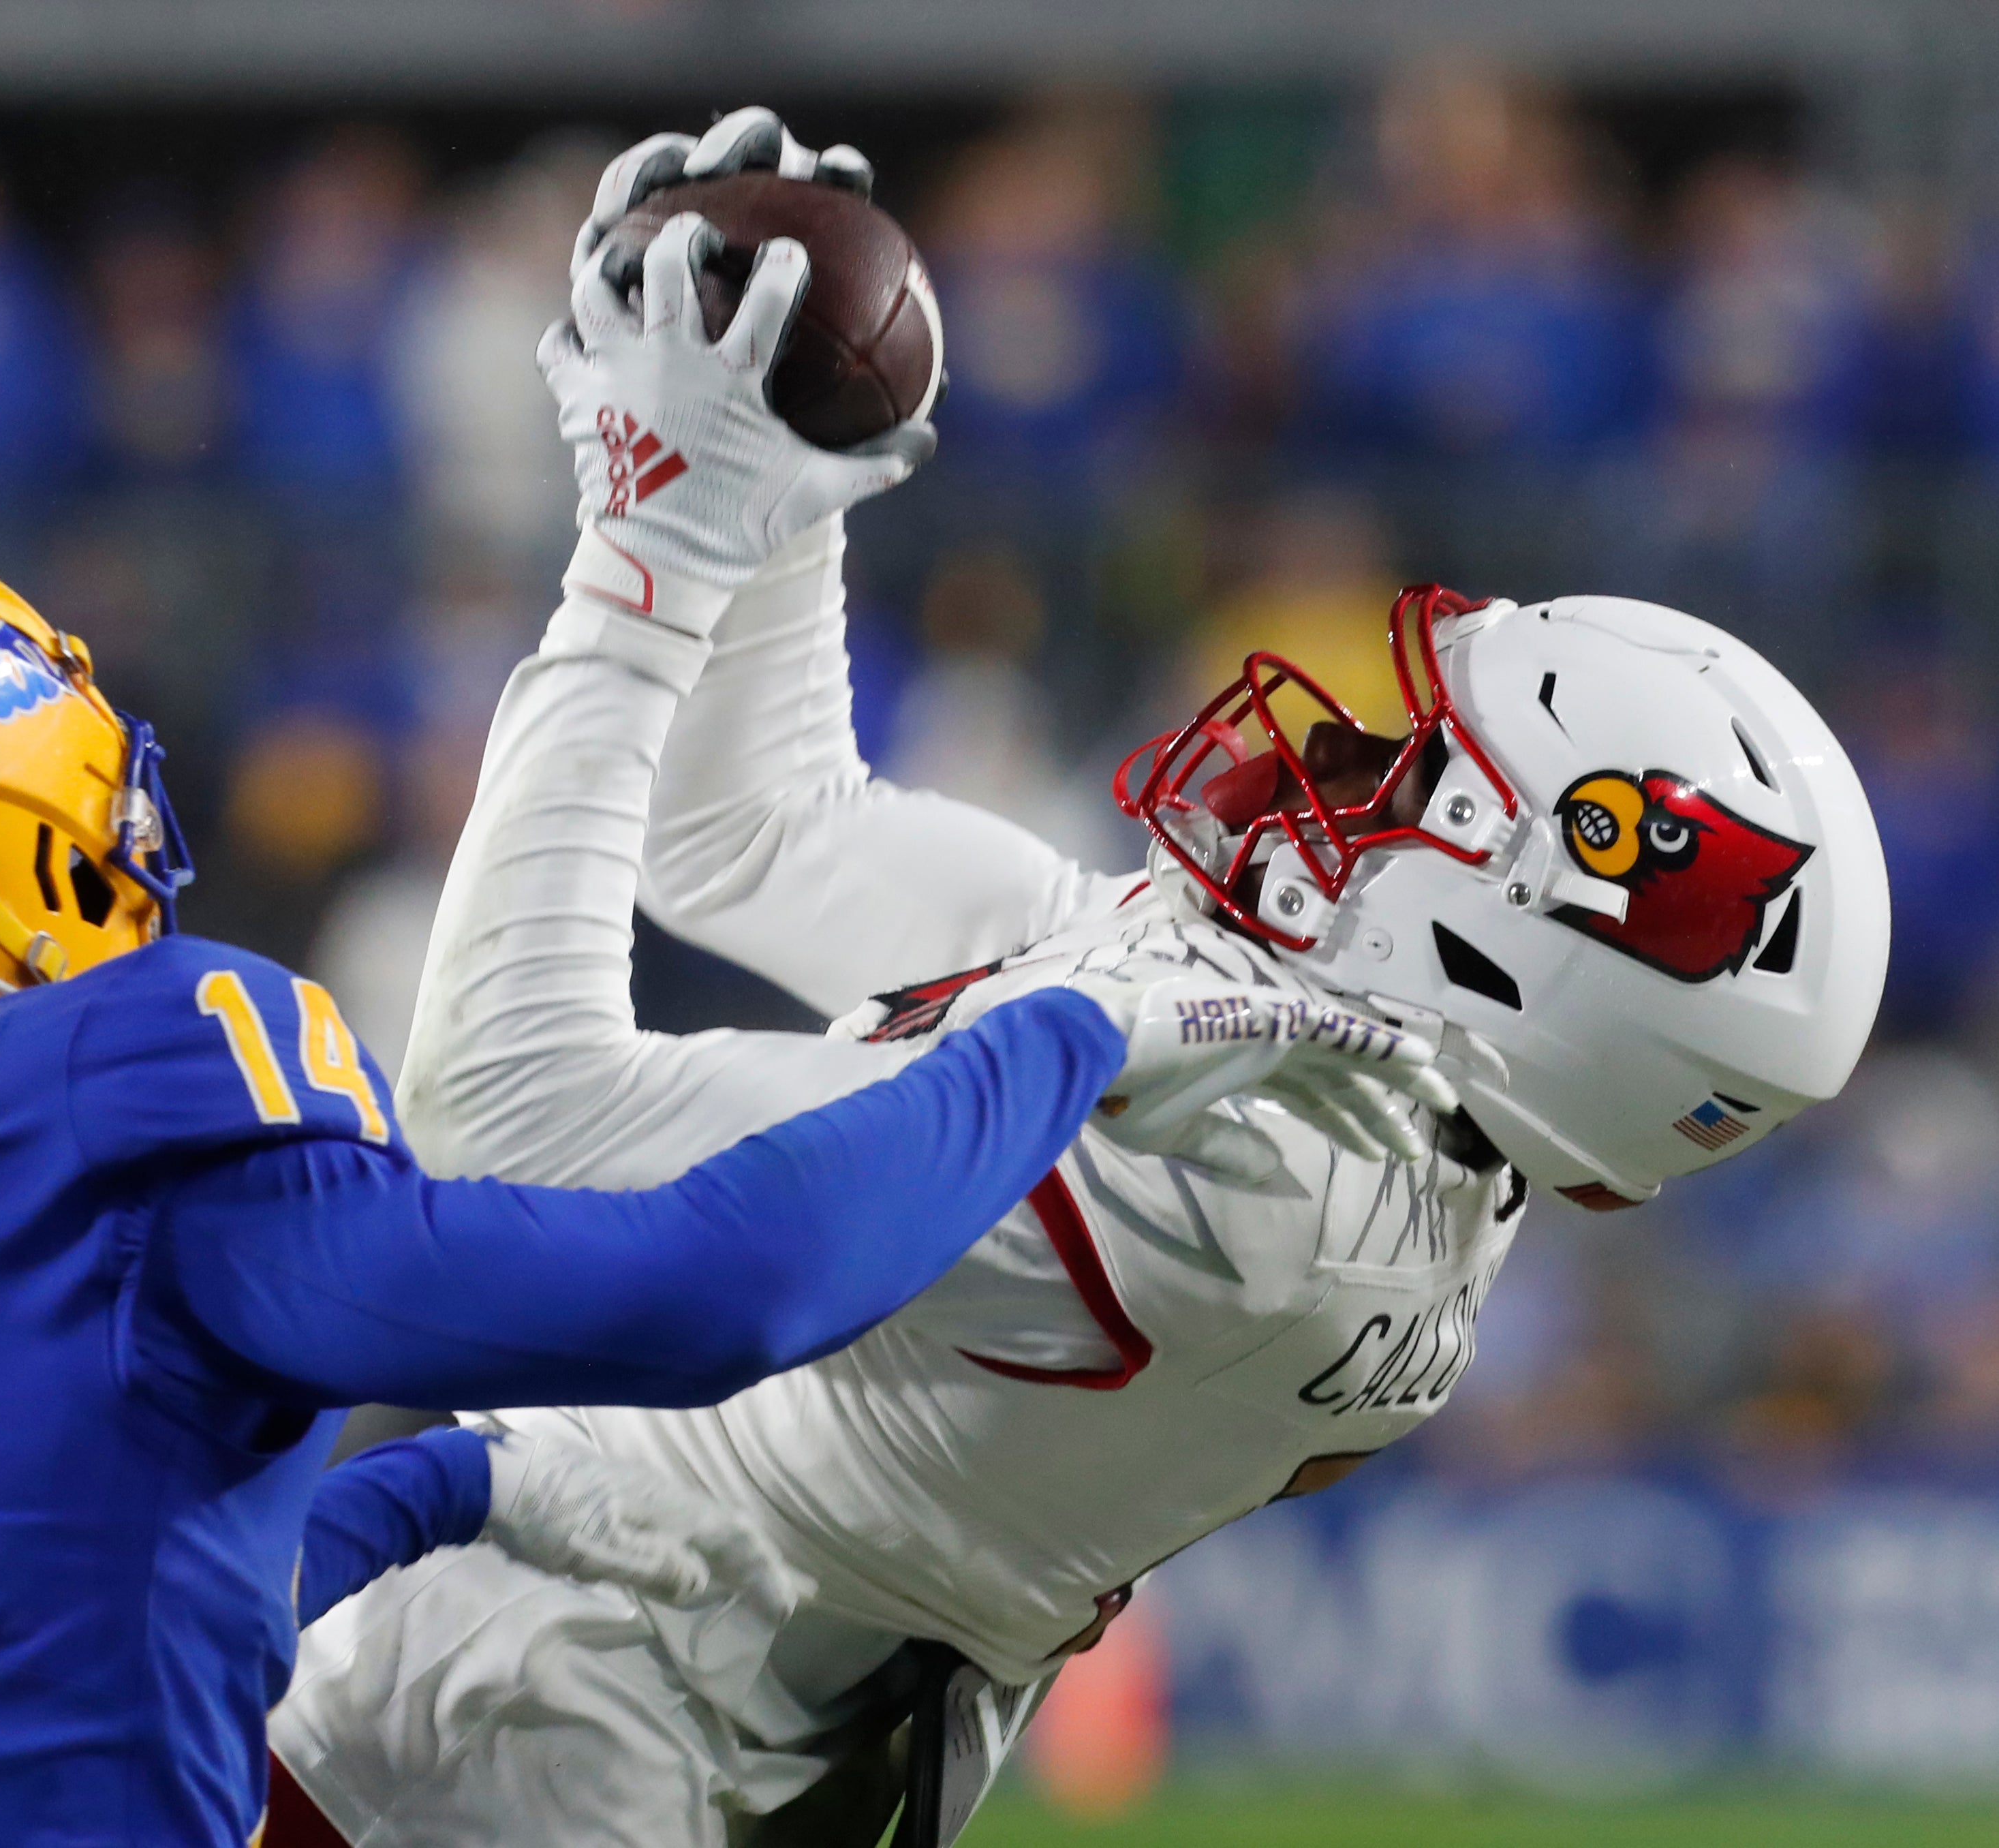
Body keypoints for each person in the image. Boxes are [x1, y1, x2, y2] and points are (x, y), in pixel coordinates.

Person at [268, 110, 1891, 1847]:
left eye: (1426, 780)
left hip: (552, 1729)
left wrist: (645, 553)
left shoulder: (1262, 1173)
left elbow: (512, 1113)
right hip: (566, 1648)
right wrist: (778, 473)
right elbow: (755, 838)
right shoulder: (1332, 1076)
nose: (1347, 761)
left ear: (1530, 945)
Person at [0, 519, 1166, 1847]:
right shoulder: (87, 1095)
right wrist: (1083, 1013)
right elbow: (726, 1290)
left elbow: (36, 1617)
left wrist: (451, 1487)